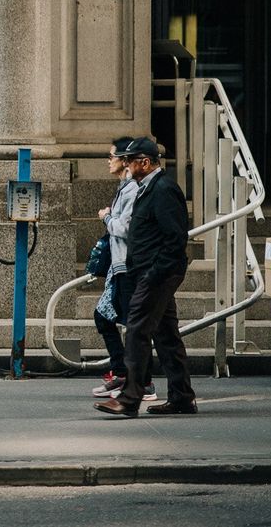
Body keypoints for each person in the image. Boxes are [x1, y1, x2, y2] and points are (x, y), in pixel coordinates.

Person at [95, 137, 197, 418]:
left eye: (130, 160)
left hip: (157, 274)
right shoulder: (145, 188)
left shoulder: (163, 189)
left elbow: (175, 238)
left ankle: (130, 399)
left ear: (145, 162)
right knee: (166, 336)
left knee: (138, 330)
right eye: (124, 160)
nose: (125, 164)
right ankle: (182, 397)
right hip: (149, 272)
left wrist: (154, 273)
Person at [90, 137, 156, 402]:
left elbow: (126, 228)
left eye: (112, 156)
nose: (110, 161)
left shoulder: (132, 190)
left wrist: (107, 217)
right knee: (105, 317)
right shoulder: (124, 188)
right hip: (120, 267)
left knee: (134, 326)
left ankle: (144, 383)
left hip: (128, 267)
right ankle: (122, 373)